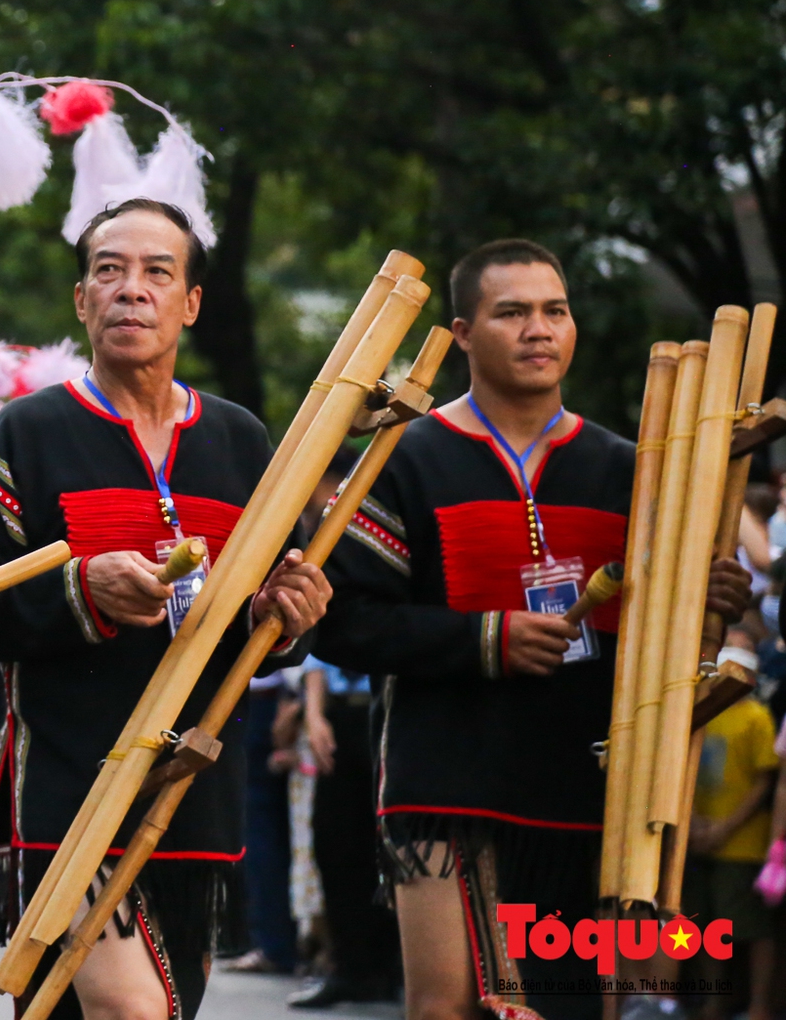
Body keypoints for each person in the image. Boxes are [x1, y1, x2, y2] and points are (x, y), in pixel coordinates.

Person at [317, 239, 751, 1020]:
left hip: (591, 790)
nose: (538, 329)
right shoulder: (403, 459)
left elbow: (662, 643)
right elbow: (342, 621)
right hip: (447, 784)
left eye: (554, 310)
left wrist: (704, 597)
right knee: (450, 1008)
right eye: (510, 312)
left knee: (575, 1011)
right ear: (461, 333)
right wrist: (487, 640)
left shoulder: (635, 468)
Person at [0, 198, 332, 1020]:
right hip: (64, 788)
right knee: (130, 1012)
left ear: (190, 303)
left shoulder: (242, 440)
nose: (131, 290)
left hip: (191, 796)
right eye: (109, 270)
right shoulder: (26, 432)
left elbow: (270, 627)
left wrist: (288, 612)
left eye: (157, 272)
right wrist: (79, 589)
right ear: (81, 299)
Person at [287, 658, 400, 1007]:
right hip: (341, 713)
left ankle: (398, 971)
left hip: (395, 707)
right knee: (334, 843)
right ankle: (351, 970)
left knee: (395, 845)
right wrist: (314, 714)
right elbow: (320, 649)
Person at [685, 629, 775, 1020]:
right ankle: (714, 999)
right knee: (704, 928)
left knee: (752, 928)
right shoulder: (697, 713)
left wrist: (725, 827)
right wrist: (690, 824)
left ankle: (759, 1003)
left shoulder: (756, 717)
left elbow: (765, 780)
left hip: (742, 844)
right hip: (695, 840)